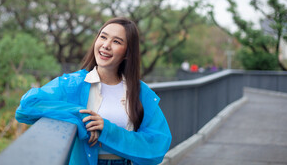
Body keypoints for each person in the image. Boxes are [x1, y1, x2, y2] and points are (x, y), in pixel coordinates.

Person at [15, 17, 172, 165]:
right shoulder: (73, 84)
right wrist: (82, 116)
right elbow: (27, 106)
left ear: (127, 53)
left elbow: (157, 146)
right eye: (103, 37)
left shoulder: (139, 92)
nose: (106, 45)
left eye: (116, 41)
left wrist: (106, 130)